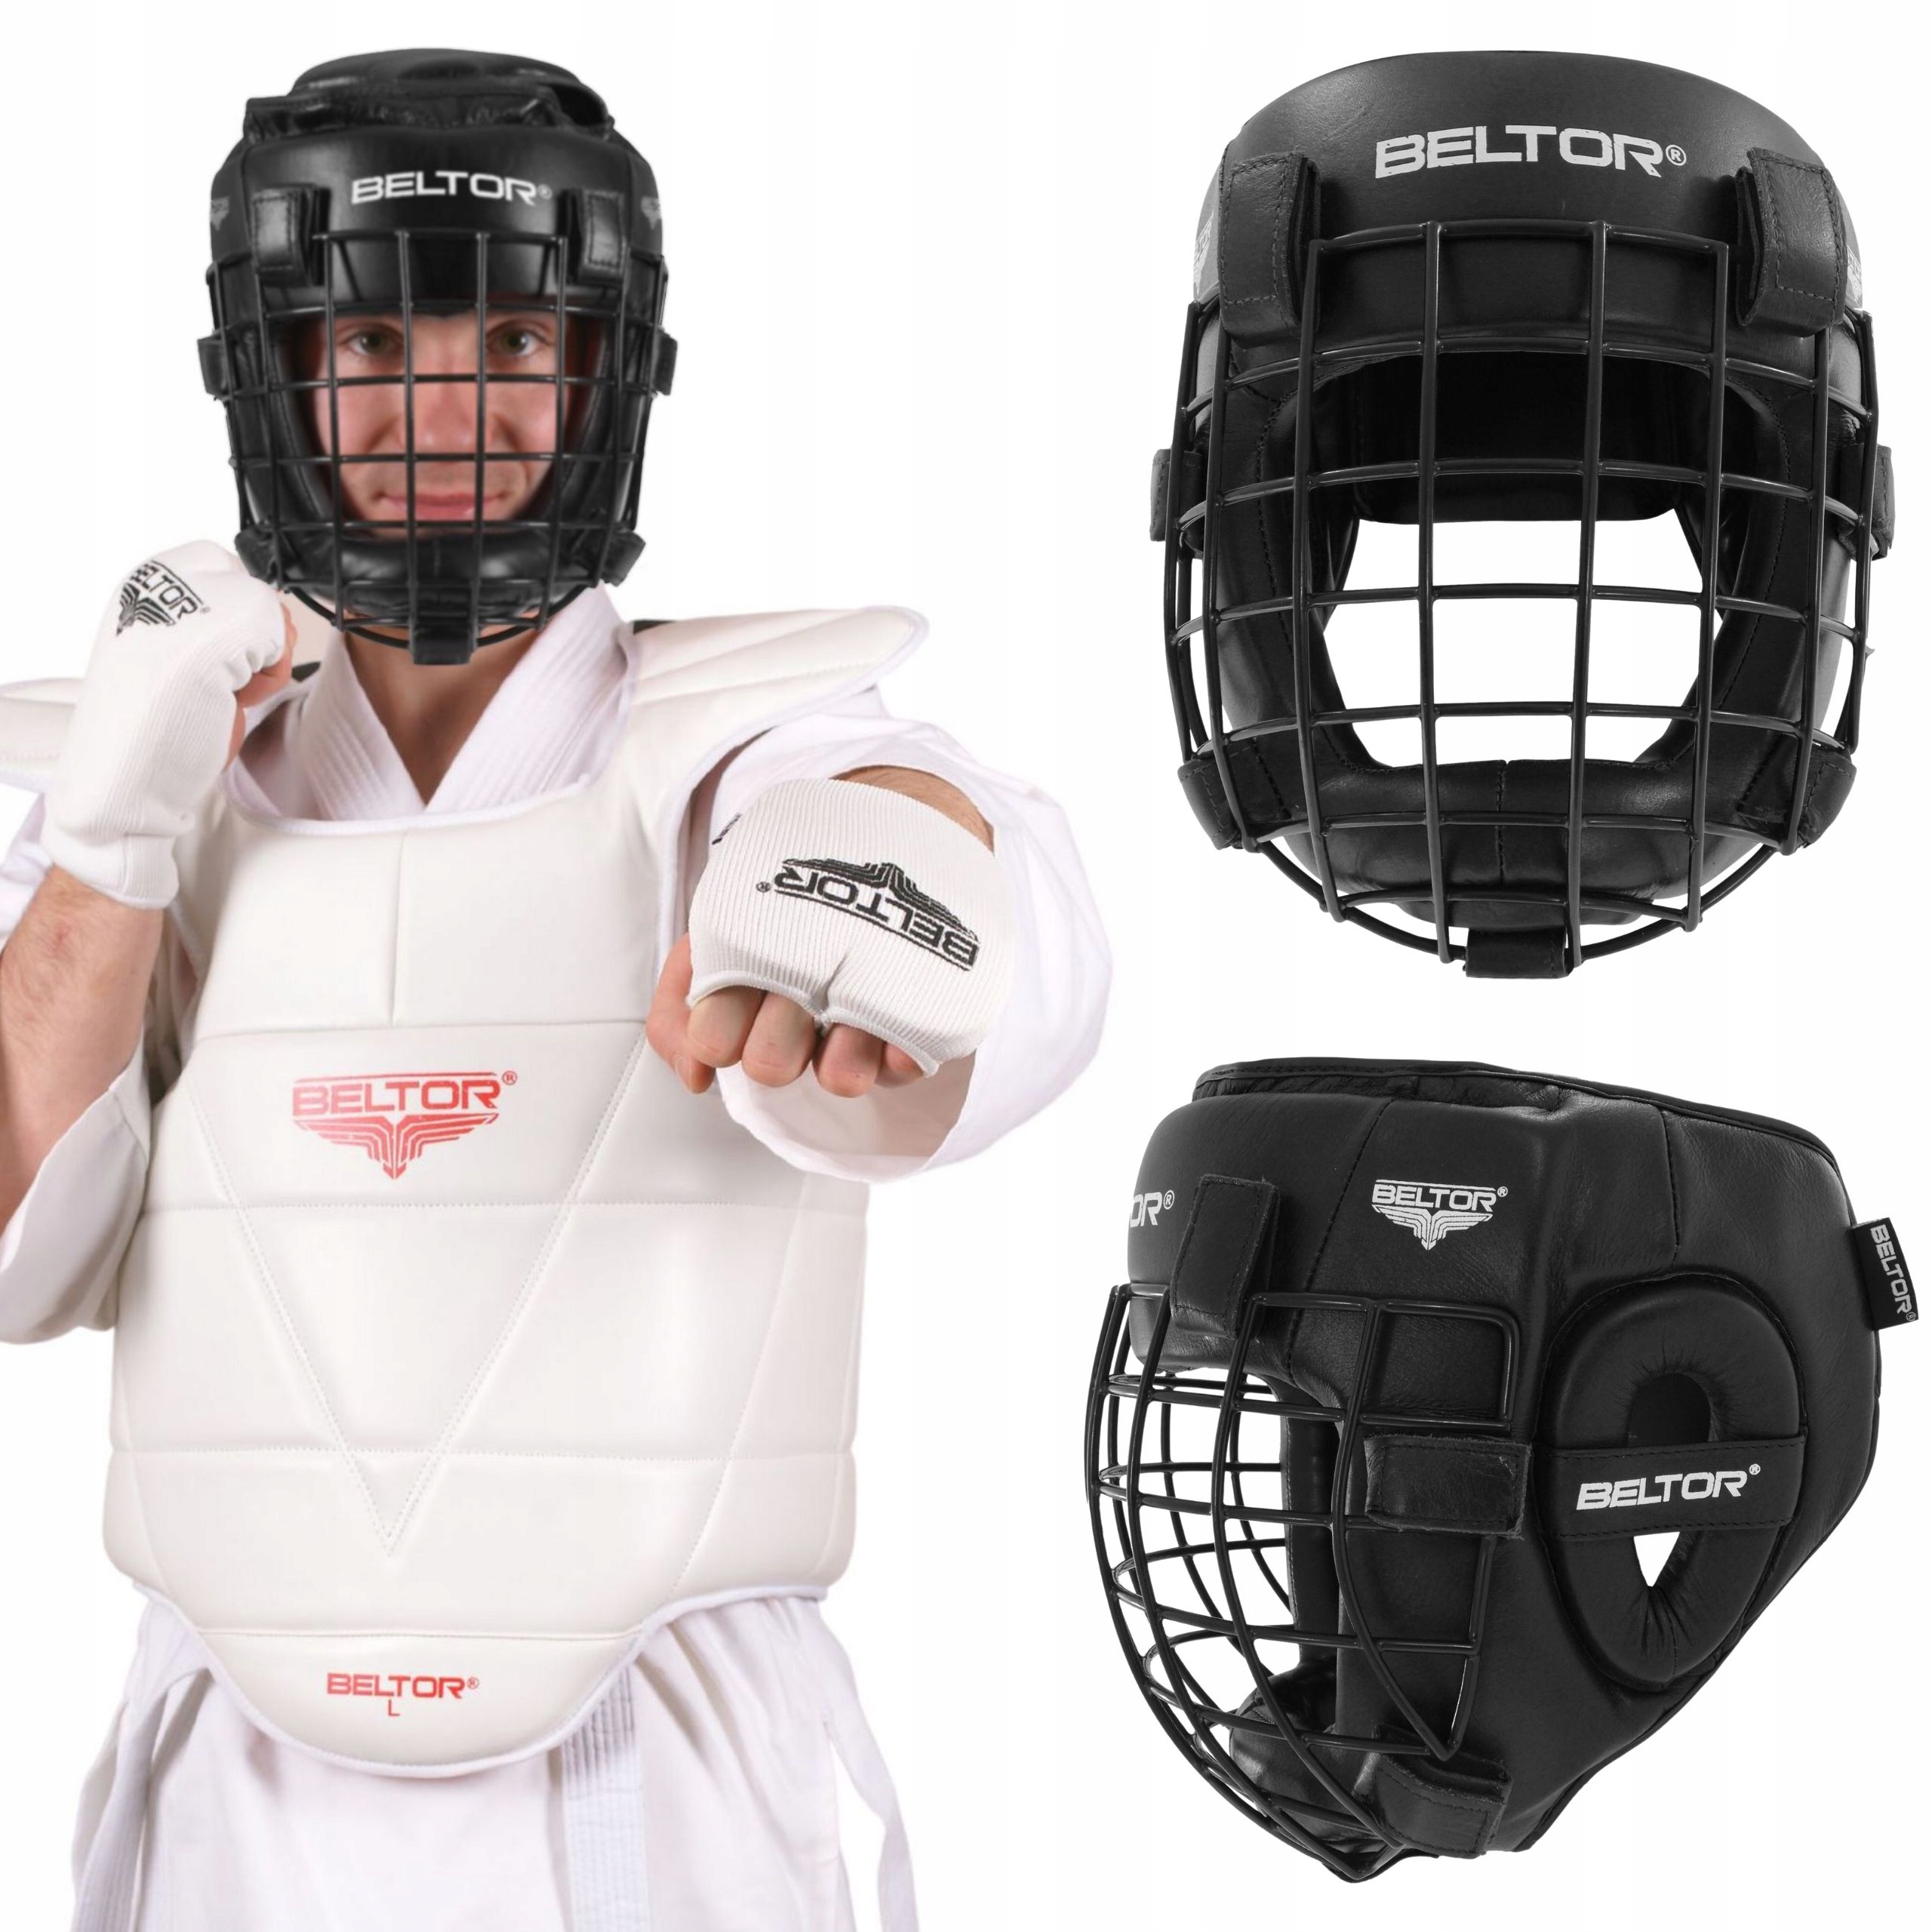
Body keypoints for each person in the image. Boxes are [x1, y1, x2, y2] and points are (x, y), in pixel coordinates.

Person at [0, 48, 1107, 1932]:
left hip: (652, 1772)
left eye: (513, 342)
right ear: (275, 372)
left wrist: (897, 872)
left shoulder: (756, 737)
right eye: (376, 345)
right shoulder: (137, 772)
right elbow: (18, 1257)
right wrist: (108, 828)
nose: (448, 411)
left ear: (609, 372)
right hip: (233, 1782)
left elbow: (997, 922)